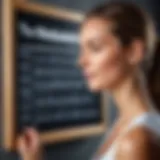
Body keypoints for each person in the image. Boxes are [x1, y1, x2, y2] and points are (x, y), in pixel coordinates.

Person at [17, 1, 160, 160]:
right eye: (82, 49)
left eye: (95, 47)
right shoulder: (125, 123)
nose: (81, 61)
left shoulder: (137, 141)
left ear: (134, 52)